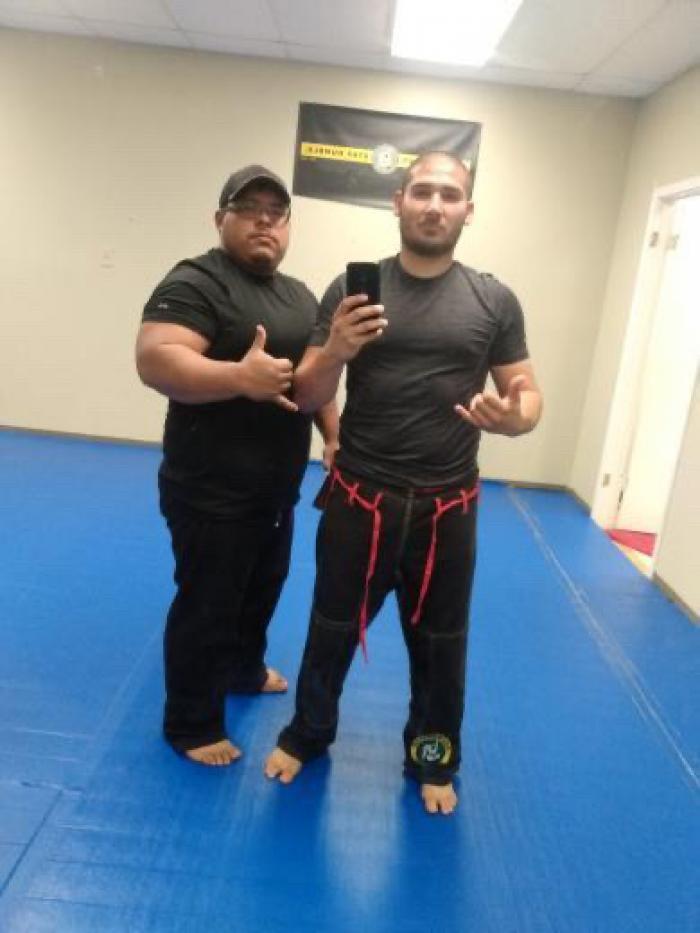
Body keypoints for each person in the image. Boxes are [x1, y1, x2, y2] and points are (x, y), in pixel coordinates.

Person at [265, 151, 542, 814]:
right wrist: (337, 349)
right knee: (331, 627)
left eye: (449, 194)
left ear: (468, 210)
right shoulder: (351, 288)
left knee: (442, 646)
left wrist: (514, 418)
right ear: (398, 202)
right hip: (361, 498)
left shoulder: (494, 300)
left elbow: (528, 396)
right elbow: (306, 396)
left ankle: (433, 759)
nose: (434, 205)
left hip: (449, 508)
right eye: (421, 191)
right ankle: (308, 734)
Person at [136, 165, 338, 766]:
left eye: (276, 213)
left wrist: (334, 435)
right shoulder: (197, 281)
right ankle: (192, 724)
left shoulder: (298, 295)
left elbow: (315, 378)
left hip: (275, 487)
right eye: (249, 210)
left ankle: (243, 669)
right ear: (220, 218)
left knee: (262, 587)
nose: (264, 222)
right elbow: (156, 358)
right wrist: (238, 377)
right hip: (209, 488)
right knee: (209, 603)